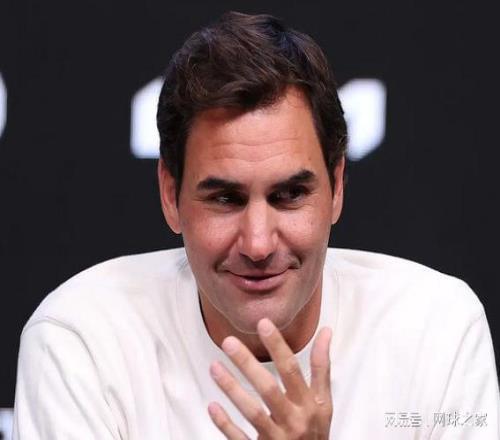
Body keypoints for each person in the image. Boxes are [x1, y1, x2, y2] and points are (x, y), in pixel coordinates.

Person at [13, 11, 499, 440]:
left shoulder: (436, 330)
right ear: (169, 194)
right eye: (225, 199)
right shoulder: (81, 341)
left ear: (337, 187)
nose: (259, 243)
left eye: (289, 195)